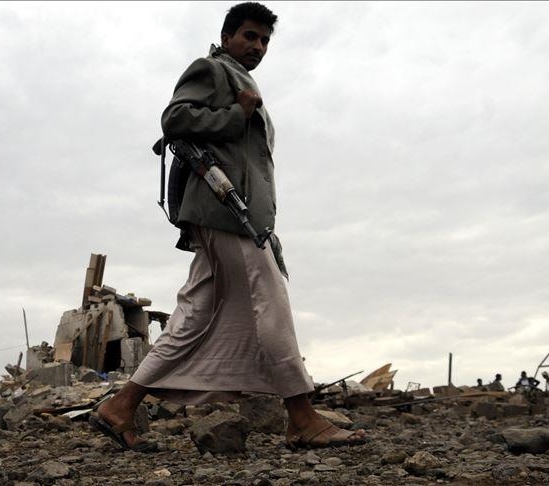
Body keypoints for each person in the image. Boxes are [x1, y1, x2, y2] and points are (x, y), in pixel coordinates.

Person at [89, 2, 367, 452]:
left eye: (265, 40)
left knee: (193, 316)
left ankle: (120, 406)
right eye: (249, 36)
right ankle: (302, 418)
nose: (258, 46)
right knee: (270, 302)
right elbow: (174, 119)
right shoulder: (213, 70)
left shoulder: (242, 80)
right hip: (227, 215)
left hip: (238, 218)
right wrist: (237, 114)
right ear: (227, 36)